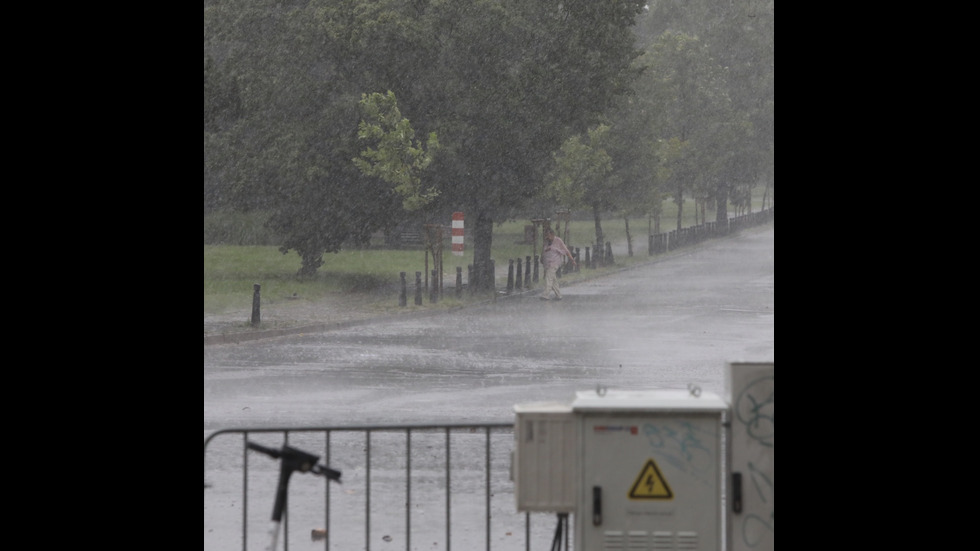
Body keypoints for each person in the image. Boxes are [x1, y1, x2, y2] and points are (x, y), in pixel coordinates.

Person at [540, 227, 576, 300]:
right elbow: (543, 250)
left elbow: (566, 250)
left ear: (552, 234)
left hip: (554, 263)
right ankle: (558, 295)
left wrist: (572, 260)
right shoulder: (546, 241)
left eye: (548, 235)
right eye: (546, 235)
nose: (547, 237)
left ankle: (545, 294)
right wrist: (542, 258)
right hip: (547, 263)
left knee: (548, 278)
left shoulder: (558, 240)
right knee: (553, 279)